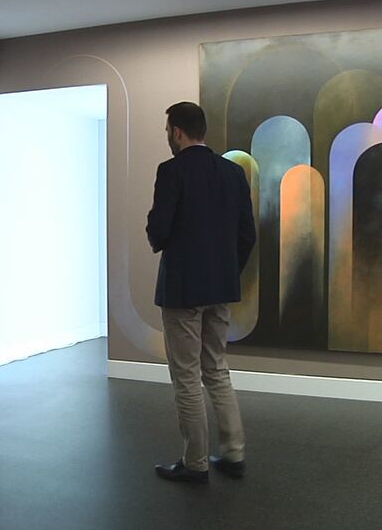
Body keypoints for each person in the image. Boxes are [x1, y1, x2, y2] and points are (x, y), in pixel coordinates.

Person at [146, 101, 257, 483]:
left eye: (168, 131)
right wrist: (225, 271)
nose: (168, 137)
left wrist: (157, 232)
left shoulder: (171, 171)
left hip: (183, 290)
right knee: (216, 369)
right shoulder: (232, 172)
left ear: (177, 132)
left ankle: (195, 463)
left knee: (187, 377)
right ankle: (234, 454)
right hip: (220, 288)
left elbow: (159, 232)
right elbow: (247, 234)